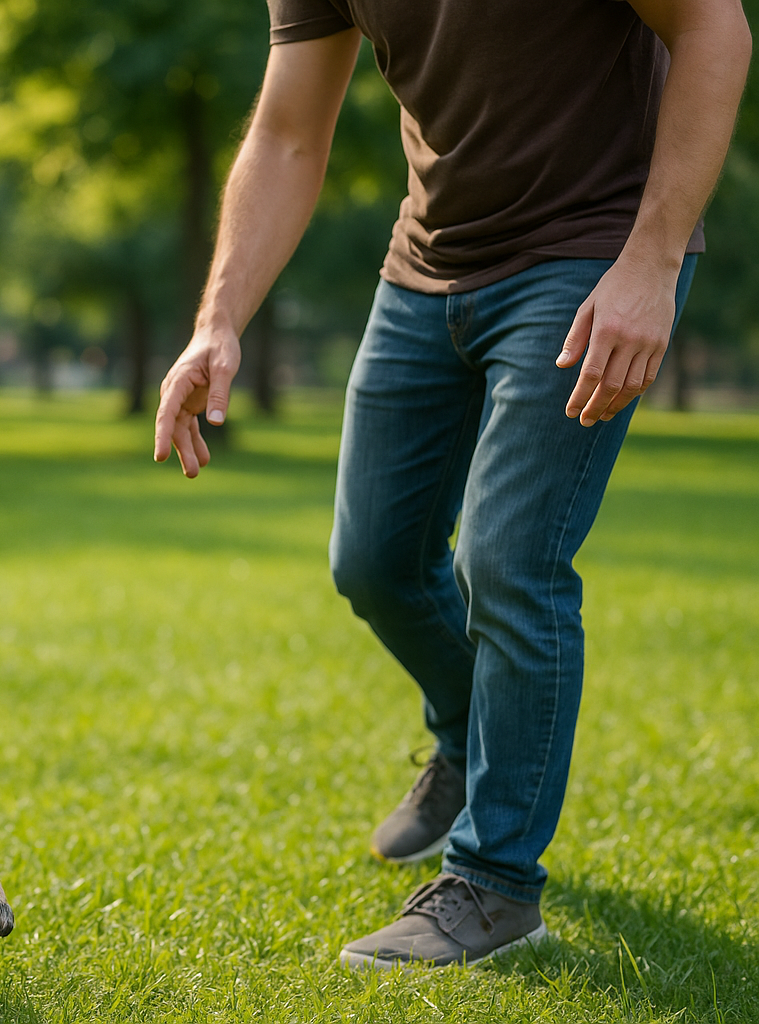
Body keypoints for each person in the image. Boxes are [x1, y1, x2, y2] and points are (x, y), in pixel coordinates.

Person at [153, 0, 751, 968]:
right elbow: (288, 132)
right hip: (427, 265)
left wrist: (652, 259)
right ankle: (474, 740)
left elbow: (714, 28)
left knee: (511, 561)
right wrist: (216, 319)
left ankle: (495, 885)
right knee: (376, 561)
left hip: (590, 253)